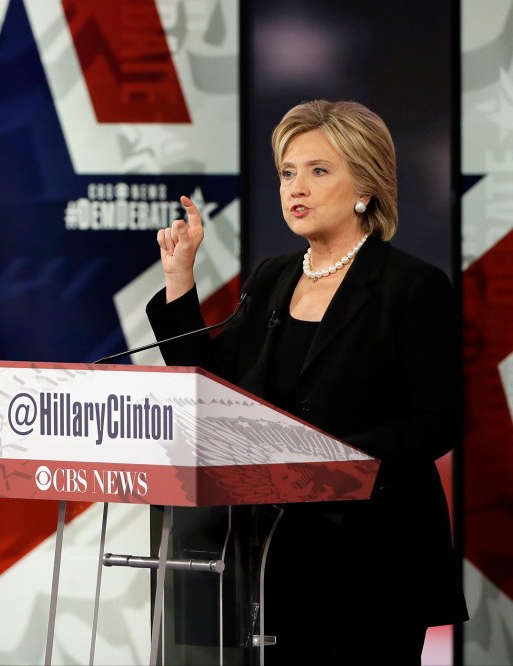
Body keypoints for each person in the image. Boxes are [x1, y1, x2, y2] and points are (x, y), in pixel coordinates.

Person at [146, 100, 467, 664]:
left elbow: (438, 421)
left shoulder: (412, 286)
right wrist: (179, 283)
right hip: (270, 561)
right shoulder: (272, 277)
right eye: (288, 173)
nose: (297, 188)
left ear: (365, 186)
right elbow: (215, 394)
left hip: (372, 563)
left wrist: (330, 467)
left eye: (319, 171)